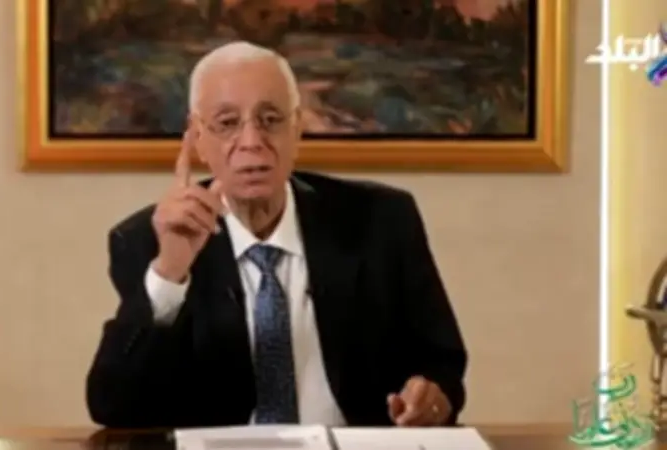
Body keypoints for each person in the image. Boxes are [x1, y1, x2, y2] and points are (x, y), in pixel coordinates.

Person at [85, 41, 467, 429]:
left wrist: (433, 398)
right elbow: (114, 408)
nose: (252, 142)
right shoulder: (149, 240)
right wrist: (170, 273)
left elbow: (443, 367)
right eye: (227, 123)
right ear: (197, 137)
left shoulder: (381, 221)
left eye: (270, 119)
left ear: (297, 128)